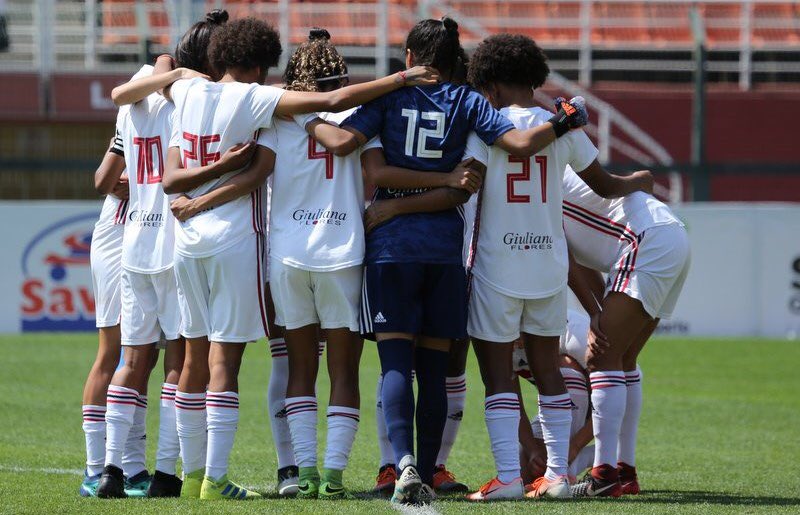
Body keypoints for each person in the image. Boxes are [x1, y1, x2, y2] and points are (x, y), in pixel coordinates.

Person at [114, 15, 439, 500]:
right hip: (319, 249)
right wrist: (401, 78)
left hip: (238, 248)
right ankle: (322, 477)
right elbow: (331, 106)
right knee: (326, 370)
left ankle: (222, 472)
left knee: (223, 361)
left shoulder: (205, 98)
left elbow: (153, 130)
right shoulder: (273, 105)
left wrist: (174, 73)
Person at [341, 17, 588, 505]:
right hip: (448, 251)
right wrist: (561, 120)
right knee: (437, 368)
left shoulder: (387, 99)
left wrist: (302, 115)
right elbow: (508, 153)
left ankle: (401, 465)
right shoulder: (472, 104)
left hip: (393, 248)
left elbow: (350, 150)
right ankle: (432, 470)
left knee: (395, 362)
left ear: (409, 57)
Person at [460, 33, 653, 500]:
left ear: (490, 85)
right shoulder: (561, 127)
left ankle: (508, 477)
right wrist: (639, 179)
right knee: (549, 370)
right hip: (547, 265)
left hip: (495, 265)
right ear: (534, 78)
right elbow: (605, 186)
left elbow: (464, 184)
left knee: (498, 374)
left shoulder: (484, 124)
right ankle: (558, 476)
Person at [266, 28, 374, 500]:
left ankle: (303, 472)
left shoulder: (274, 115)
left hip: (287, 254)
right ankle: (332, 476)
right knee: (344, 373)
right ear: (342, 76)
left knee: (299, 370)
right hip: (342, 252)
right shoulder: (362, 114)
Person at [563, 164, 690, 498]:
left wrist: (595, 314)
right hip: (670, 234)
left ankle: (603, 476)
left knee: (601, 356)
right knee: (623, 358)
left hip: (644, 240)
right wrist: (598, 311)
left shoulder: (539, 185)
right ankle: (624, 471)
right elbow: (582, 263)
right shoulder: (560, 172)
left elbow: (562, 258)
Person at [80, 133, 128, 497]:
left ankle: (132, 467)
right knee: (112, 353)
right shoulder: (130, 120)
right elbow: (103, 181)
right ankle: (94, 469)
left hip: (154, 239)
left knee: (142, 356)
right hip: (117, 237)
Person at [514, 309, 595, 485]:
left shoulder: (576, 334)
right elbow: (512, 402)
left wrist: (574, 447)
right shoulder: (500, 339)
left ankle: (610, 459)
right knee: (528, 473)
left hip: (608, 408)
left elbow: (612, 398)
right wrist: (533, 450)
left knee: (565, 368)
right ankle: (591, 458)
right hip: (562, 405)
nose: (517, 344)